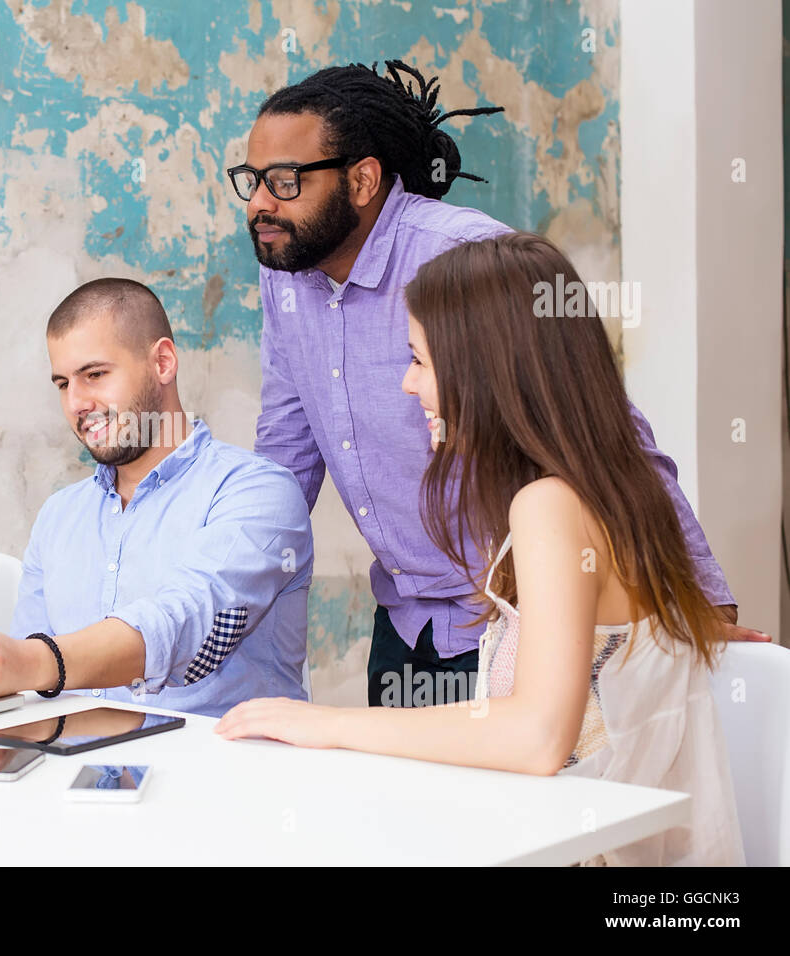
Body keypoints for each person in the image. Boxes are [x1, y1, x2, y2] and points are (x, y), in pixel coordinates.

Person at [231, 61, 766, 709]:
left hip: (517, 619)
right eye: (251, 180)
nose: (260, 202)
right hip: (405, 621)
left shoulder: (468, 259)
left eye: (284, 181)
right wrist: (215, 599)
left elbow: (604, 429)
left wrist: (697, 597)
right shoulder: (287, 273)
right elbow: (286, 456)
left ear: (363, 179)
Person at [216, 234, 745, 865]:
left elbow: (539, 736)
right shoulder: (617, 486)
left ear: (488, 370)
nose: (410, 385)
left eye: (418, 360)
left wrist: (326, 724)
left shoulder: (549, 507)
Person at [0, 278, 312, 717]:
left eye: (95, 374)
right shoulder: (59, 515)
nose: (77, 402)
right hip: (72, 766)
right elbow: (31, 692)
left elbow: (188, 622)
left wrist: (35, 661)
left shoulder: (258, 492)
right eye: (62, 383)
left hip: (216, 772)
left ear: (162, 362)